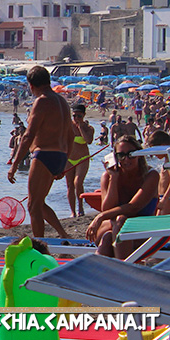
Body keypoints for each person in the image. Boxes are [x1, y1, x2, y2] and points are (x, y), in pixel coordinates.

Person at [8, 65, 74, 238]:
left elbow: (28, 135)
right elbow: (71, 135)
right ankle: (64, 235)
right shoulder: (62, 102)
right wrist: (65, 161)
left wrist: (14, 164)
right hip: (59, 155)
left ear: (31, 85)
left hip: (44, 154)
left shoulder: (42, 101)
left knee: (33, 206)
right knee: (38, 203)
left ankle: (39, 247)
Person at [86, 136, 160, 259]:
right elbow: (107, 208)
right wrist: (114, 179)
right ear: (115, 157)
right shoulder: (108, 176)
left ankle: (110, 272)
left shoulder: (150, 176)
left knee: (111, 233)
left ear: (139, 154)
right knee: (115, 227)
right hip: (113, 227)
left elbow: (133, 208)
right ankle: (125, 270)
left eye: (130, 154)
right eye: (121, 155)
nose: (126, 159)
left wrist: (100, 217)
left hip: (142, 231)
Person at [65, 104, 94, 217]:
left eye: (79, 116)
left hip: (83, 159)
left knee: (78, 182)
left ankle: (80, 208)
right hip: (69, 159)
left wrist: (81, 126)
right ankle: (73, 212)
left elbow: (88, 141)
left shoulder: (89, 128)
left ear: (84, 115)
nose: (76, 118)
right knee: (70, 185)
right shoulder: (67, 126)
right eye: (74, 116)